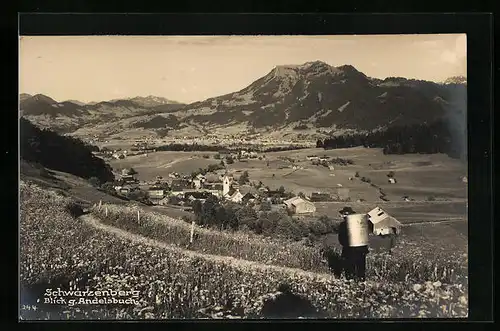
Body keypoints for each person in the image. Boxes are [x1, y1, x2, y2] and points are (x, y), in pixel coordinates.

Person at [338, 207, 370, 281]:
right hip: (361, 250)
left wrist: (346, 245)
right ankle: (361, 282)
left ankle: (351, 282)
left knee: (350, 268)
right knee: (360, 268)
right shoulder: (360, 223)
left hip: (349, 250)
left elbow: (341, 239)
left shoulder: (343, 225)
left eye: (344, 214)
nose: (342, 216)